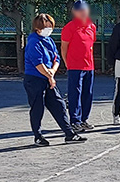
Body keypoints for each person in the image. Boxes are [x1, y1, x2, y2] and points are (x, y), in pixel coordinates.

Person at [23, 13, 87, 146]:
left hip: (47, 77)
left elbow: (56, 58)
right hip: (35, 80)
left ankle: (69, 134)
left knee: (59, 104)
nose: (49, 30)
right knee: (37, 108)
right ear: (37, 28)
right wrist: (49, 76)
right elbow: (38, 64)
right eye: (46, 27)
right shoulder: (33, 42)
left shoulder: (49, 41)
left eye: (50, 27)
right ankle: (38, 136)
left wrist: (52, 72)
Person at [61, 0, 96, 132]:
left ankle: (84, 119)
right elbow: (64, 48)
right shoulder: (69, 28)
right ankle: (75, 120)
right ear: (74, 12)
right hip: (75, 67)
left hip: (89, 66)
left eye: (85, 10)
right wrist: (68, 64)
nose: (83, 13)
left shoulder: (91, 27)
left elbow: (90, 45)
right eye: (80, 10)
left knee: (88, 93)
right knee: (75, 94)